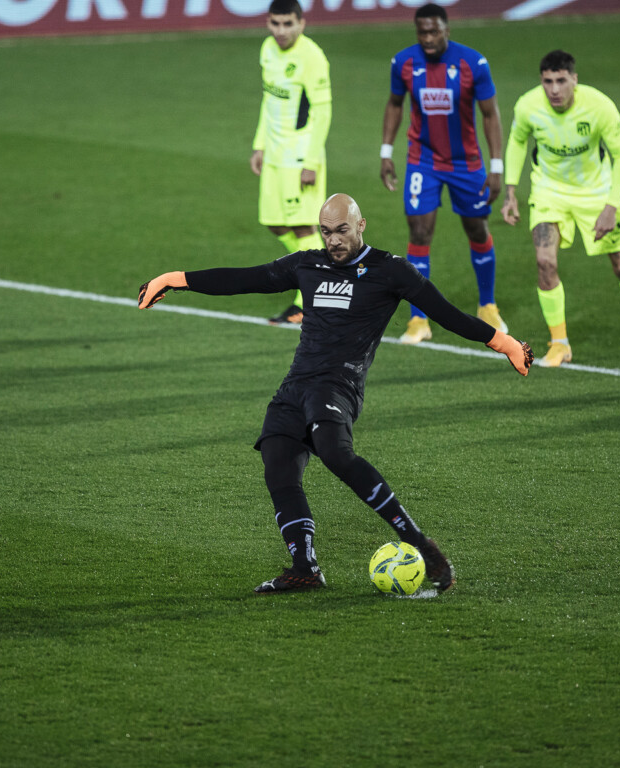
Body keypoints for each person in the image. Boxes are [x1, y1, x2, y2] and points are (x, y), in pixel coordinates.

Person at [138, 193, 534, 594]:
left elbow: (446, 313)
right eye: (326, 232)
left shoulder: (390, 270)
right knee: (277, 463)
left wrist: (504, 343)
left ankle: (422, 546)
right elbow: (244, 279)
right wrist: (176, 279)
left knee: (334, 452)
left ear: (361, 225)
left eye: (342, 230)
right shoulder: (307, 264)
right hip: (296, 385)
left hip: (339, 384)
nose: (334, 240)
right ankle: (304, 568)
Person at [501, 49, 620, 366]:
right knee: (544, 262)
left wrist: (611, 204)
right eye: (547, 82)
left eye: (561, 81)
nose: (554, 89)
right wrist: (510, 190)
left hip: (597, 193)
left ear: (574, 80)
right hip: (548, 192)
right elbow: (517, 141)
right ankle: (560, 343)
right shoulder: (528, 106)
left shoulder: (599, 106)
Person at [380, 3, 507, 345]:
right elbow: (395, 104)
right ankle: (418, 319)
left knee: (476, 227)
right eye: (422, 32)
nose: (428, 38)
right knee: (419, 231)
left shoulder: (472, 63)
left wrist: (496, 166)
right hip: (423, 161)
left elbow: (490, 114)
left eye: (434, 31)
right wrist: (386, 152)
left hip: (467, 163)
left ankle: (487, 305)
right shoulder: (404, 62)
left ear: (447, 30)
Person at [250, 0, 332, 326]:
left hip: (299, 155)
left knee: (302, 226)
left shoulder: (312, 57)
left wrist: (311, 161)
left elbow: (322, 111)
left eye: (287, 24)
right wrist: (259, 144)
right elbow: (268, 100)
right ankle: (315, 270)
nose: (280, 31)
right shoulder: (268, 49)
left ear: (302, 22)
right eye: (275, 23)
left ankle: (307, 300)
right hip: (273, 154)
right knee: (273, 222)